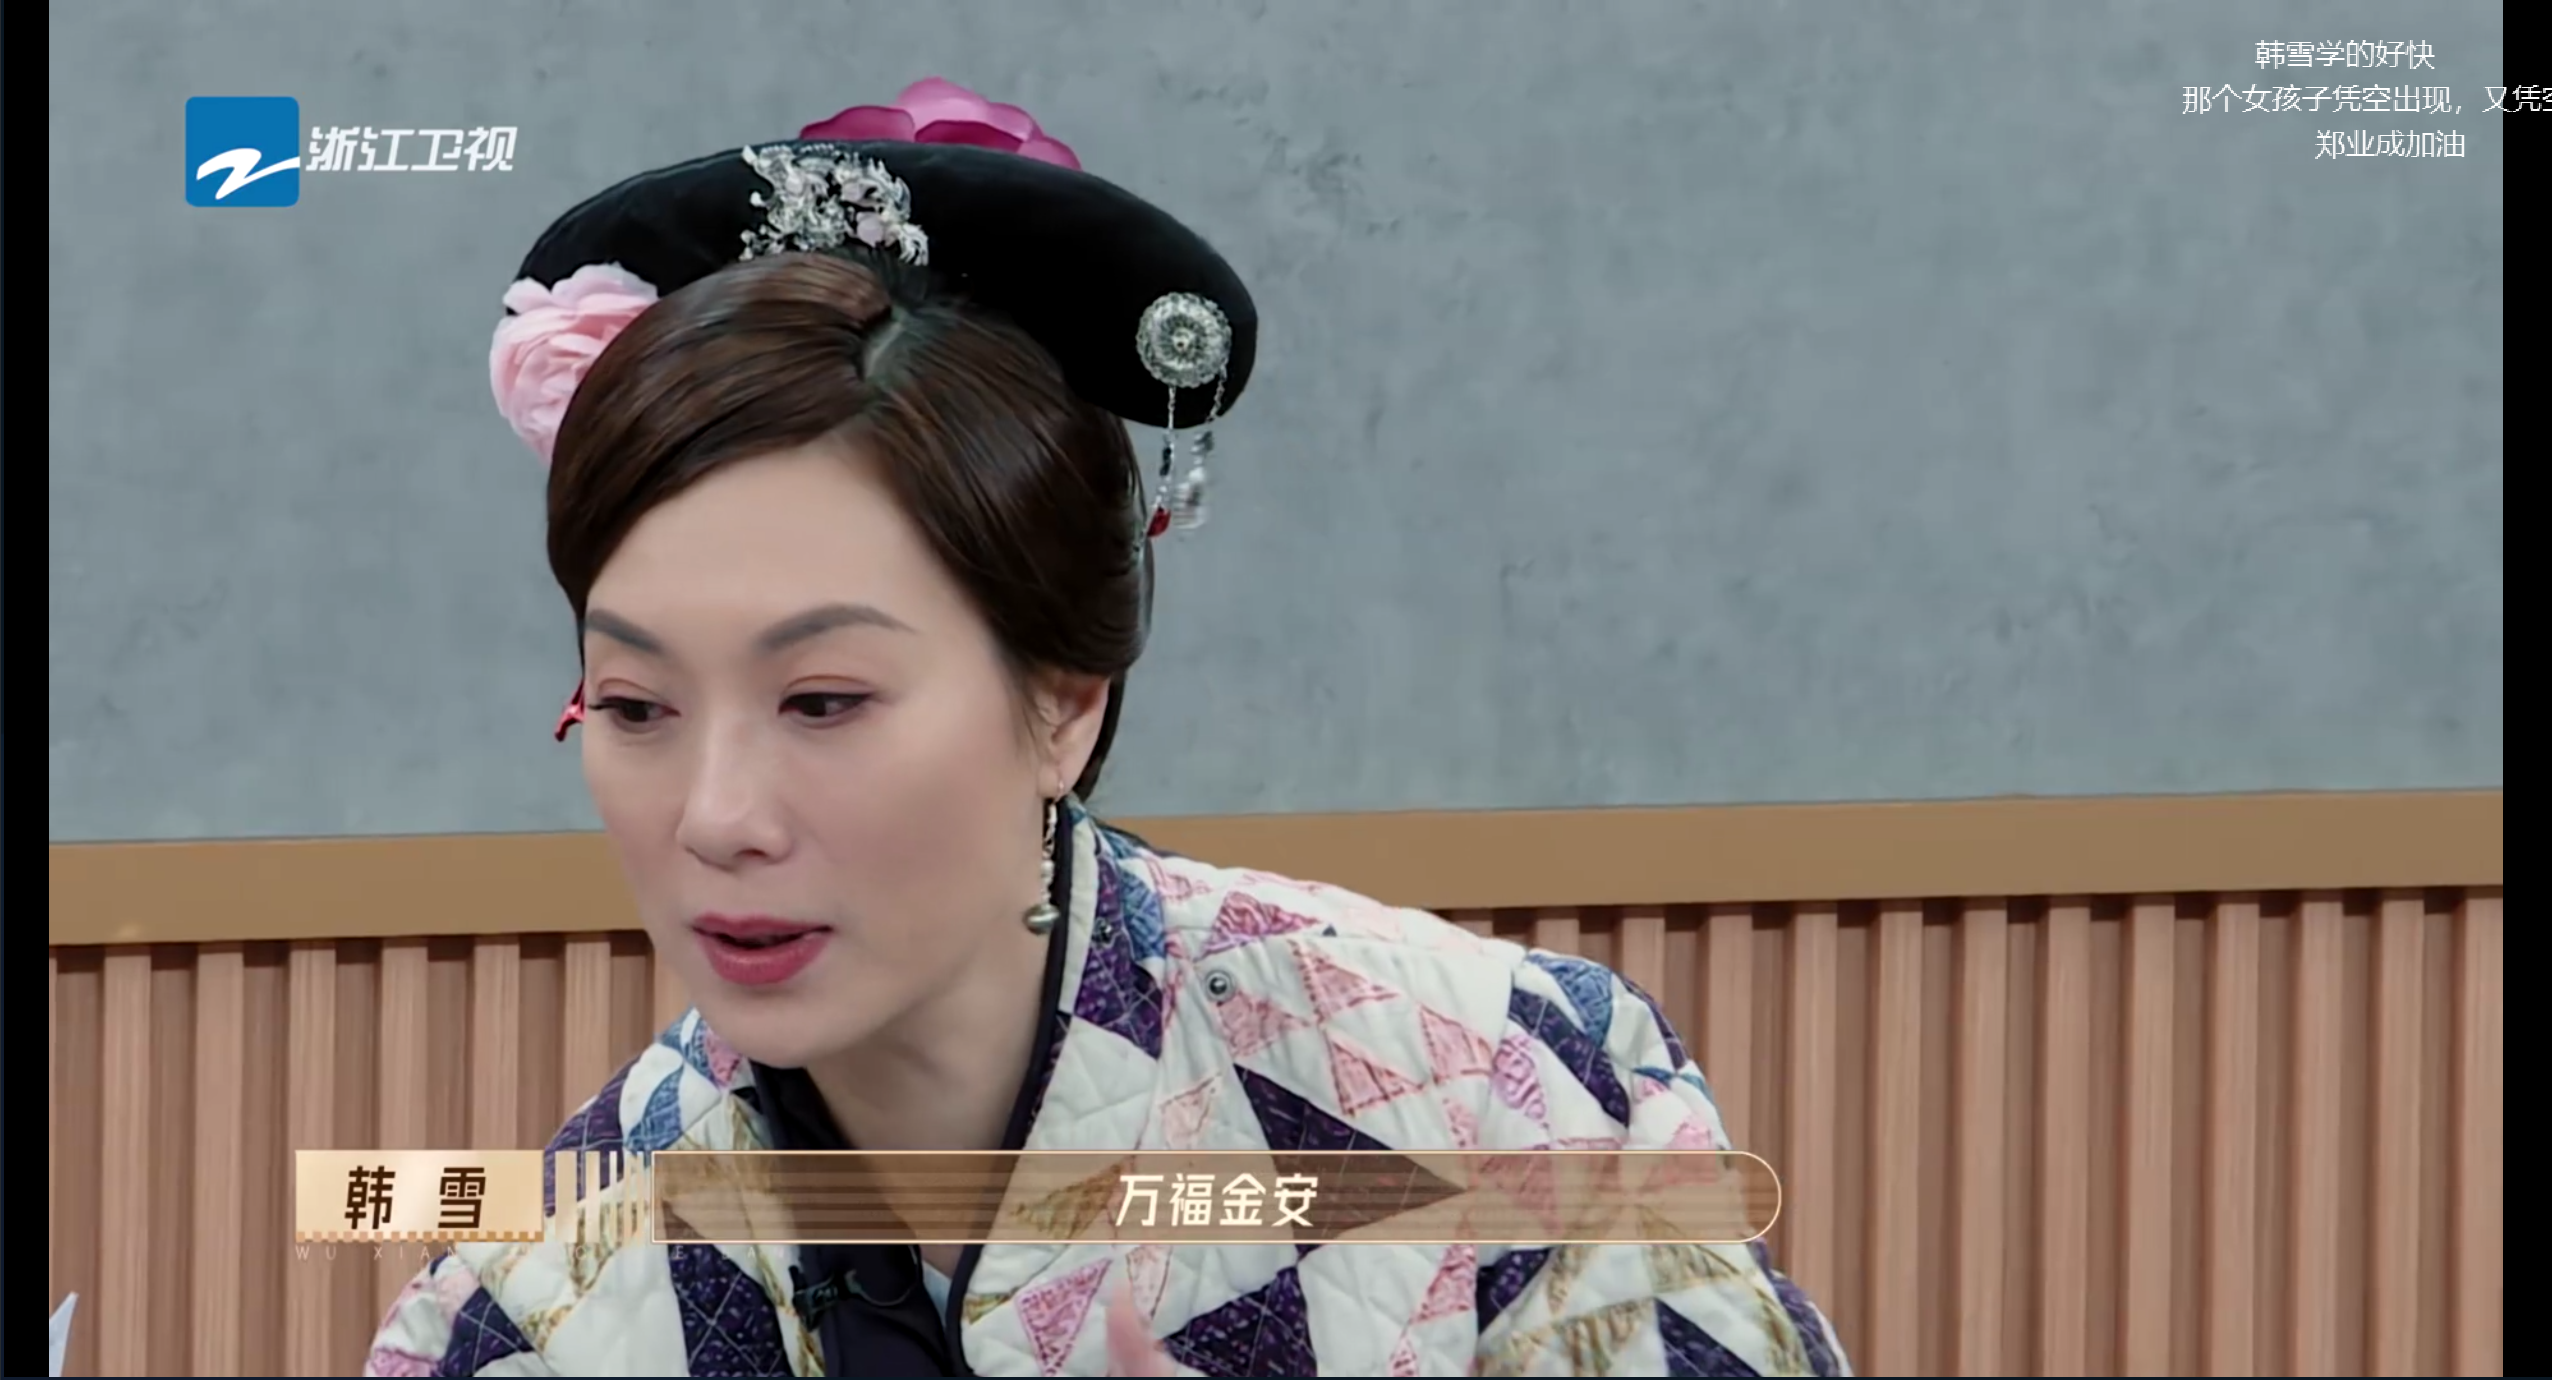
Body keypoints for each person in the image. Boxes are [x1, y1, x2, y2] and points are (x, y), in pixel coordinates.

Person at [364, 77, 1851, 1379]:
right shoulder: (544, 1287)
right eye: (637, 707)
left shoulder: (1499, 1092)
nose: (716, 815)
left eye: (823, 700)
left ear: (1063, 704)